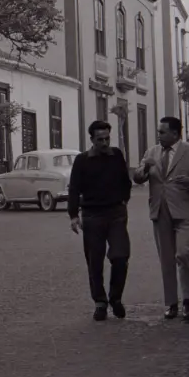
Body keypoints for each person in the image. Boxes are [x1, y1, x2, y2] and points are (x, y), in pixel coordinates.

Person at [133, 116, 189, 323]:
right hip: (160, 211)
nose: (158, 135)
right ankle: (171, 303)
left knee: (184, 253)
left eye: (162, 132)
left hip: (184, 211)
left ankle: (188, 300)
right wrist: (144, 168)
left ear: (175, 134)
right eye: (158, 132)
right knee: (166, 259)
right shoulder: (151, 152)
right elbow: (138, 178)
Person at [68, 120, 133, 321]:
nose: (104, 143)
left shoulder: (116, 155)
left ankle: (116, 298)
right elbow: (74, 188)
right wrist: (73, 215)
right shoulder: (82, 160)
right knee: (94, 261)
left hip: (116, 213)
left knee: (120, 256)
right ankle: (100, 302)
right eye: (100, 139)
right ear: (92, 140)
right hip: (92, 215)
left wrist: (124, 199)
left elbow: (126, 181)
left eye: (107, 138)